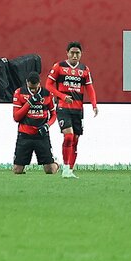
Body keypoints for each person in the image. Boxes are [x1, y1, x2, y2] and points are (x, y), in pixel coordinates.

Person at [45, 42, 98, 178]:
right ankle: (65, 168)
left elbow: (90, 88)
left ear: (81, 54)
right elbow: (48, 85)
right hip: (63, 108)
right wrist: (62, 96)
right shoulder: (59, 67)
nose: (75, 55)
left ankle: (70, 169)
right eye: (72, 53)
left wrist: (94, 104)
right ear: (67, 53)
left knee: (75, 139)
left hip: (78, 109)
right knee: (68, 136)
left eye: (77, 53)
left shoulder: (84, 69)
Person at [12, 73, 58, 175]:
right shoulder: (19, 93)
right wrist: (29, 102)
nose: (33, 90)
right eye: (30, 88)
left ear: (39, 83)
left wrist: (47, 125)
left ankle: (56, 164)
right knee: (17, 170)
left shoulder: (47, 94)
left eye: (35, 87)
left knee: (49, 170)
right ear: (26, 83)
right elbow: (16, 117)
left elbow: (54, 114)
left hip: (41, 135)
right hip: (24, 135)